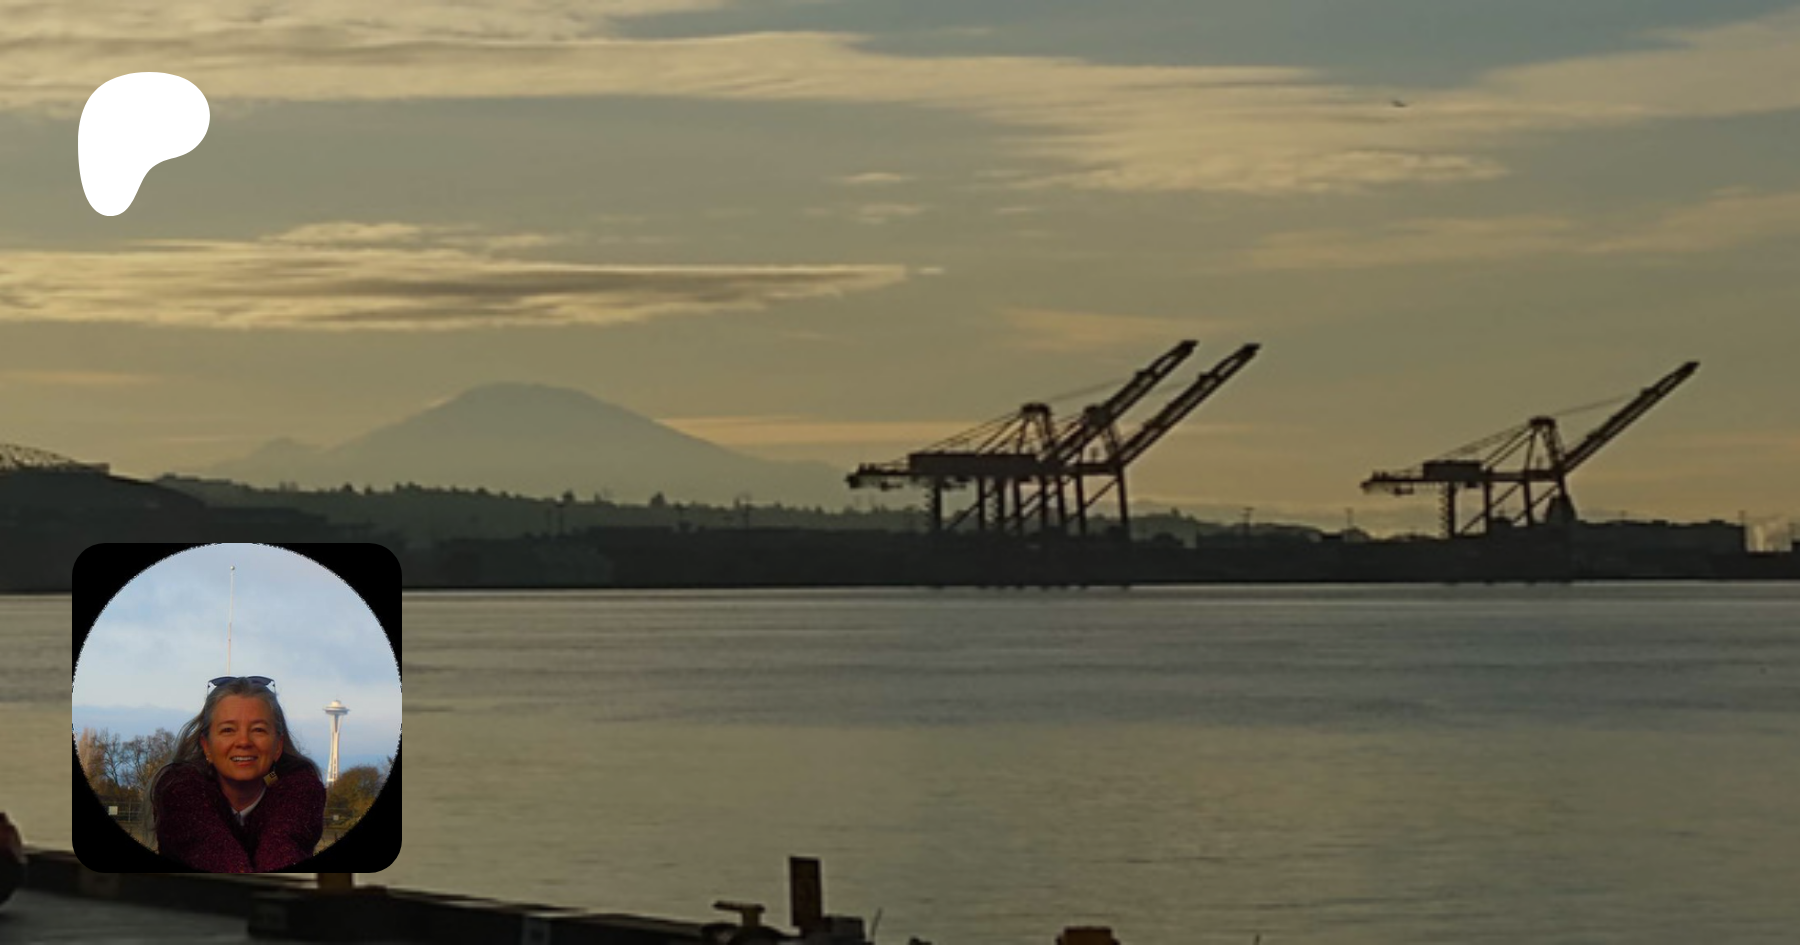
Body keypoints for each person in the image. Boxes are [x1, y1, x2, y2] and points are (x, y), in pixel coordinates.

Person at [147, 676, 326, 872]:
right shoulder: (180, 792)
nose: (243, 742)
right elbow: (210, 850)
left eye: (258, 730)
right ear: (206, 747)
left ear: (278, 746)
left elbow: (282, 846)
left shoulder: (301, 792)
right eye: (228, 730)